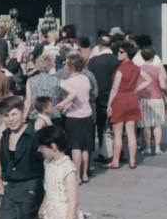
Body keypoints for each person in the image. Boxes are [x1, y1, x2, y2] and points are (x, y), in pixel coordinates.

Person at [107, 43, 152, 169]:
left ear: (127, 54)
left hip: (120, 99)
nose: (118, 53)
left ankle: (115, 161)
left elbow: (114, 89)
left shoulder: (120, 70)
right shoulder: (137, 68)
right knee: (131, 133)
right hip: (132, 99)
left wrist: (109, 104)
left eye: (121, 52)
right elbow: (148, 79)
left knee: (118, 133)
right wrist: (136, 89)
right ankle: (133, 161)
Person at [57, 54, 94, 183]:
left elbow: (65, 98)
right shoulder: (85, 79)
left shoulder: (67, 82)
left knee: (75, 146)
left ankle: (77, 175)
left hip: (73, 116)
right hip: (87, 114)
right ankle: (85, 173)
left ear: (70, 67)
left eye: (66, 64)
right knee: (85, 147)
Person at [87, 36, 119, 160]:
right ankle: (117, 152)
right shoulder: (116, 60)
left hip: (99, 97)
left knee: (101, 125)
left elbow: (90, 79)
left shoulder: (93, 61)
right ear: (110, 45)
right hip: (113, 95)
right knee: (115, 125)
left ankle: (103, 150)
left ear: (99, 46)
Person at [137, 47, 167, 156]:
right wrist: (165, 93)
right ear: (154, 56)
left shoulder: (138, 69)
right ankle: (158, 148)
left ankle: (148, 148)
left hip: (143, 99)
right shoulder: (158, 69)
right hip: (157, 98)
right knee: (157, 124)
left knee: (146, 125)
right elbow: (163, 85)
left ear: (142, 57)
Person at [23, 53, 61, 125]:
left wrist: (24, 116)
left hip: (36, 115)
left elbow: (28, 101)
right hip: (53, 115)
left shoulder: (31, 80)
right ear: (50, 66)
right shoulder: (56, 80)